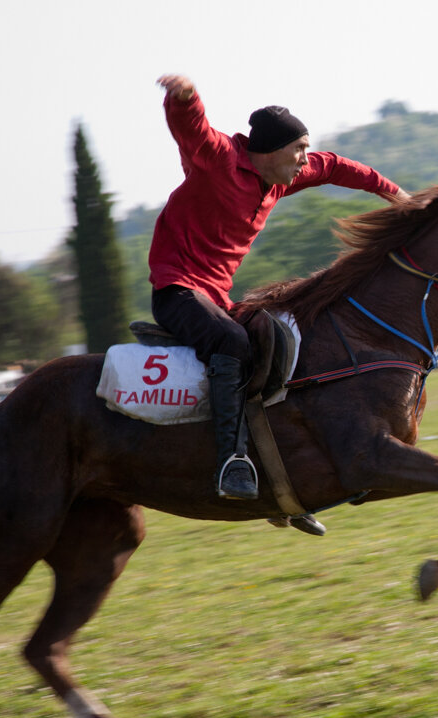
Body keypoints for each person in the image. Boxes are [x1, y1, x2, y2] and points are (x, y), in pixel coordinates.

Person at [148, 74, 406, 504]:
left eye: (307, 148)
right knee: (233, 343)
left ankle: (287, 470)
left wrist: (396, 195)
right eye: (299, 150)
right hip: (176, 290)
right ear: (268, 152)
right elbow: (192, 129)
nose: (307, 159)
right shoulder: (218, 158)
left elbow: (340, 167)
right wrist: (185, 97)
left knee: (285, 339)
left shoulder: (285, 174)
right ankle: (232, 462)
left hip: (218, 298)